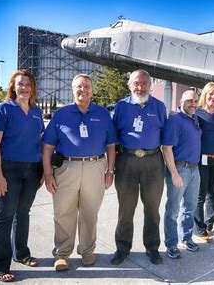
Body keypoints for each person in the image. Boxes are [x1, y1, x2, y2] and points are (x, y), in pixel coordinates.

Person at [42, 73, 116, 271]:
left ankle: (87, 250)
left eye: (86, 87)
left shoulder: (102, 114)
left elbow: (111, 145)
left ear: (92, 90)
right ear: (72, 89)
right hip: (66, 168)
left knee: (90, 212)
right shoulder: (61, 114)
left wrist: (110, 171)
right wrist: (48, 174)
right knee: (63, 212)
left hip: (96, 167)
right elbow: (48, 146)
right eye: (79, 87)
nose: (83, 90)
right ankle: (62, 254)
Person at [0, 69, 44, 282]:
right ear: (13, 86)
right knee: (4, 216)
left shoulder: (37, 112)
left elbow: (39, 141)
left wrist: (42, 171)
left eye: (28, 85)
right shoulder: (3, 109)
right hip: (7, 169)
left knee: (23, 213)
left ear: (33, 88)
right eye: (20, 84)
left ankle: (21, 254)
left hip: (32, 169)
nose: (24, 88)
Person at [110, 70, 167, 266]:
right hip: (127, 161)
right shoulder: (121, 107)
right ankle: (122, 248)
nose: (140, 87)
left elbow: (166, 137)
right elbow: (113, 138)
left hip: (153, 162)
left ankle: (152, 248)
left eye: (144, 83)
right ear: (129, 85)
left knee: (152, 208)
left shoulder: (159, 107)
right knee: (126, 208)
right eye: (136, 83)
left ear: (150, 85)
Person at [162, 89, 202, 259]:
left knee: (190, 207)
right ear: (181, 101)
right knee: (173, 209)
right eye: (189, 101)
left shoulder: (194, 119)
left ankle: (186, 238)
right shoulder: (174, 120)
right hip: (180, 169)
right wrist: (174, 173)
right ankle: (171, 244)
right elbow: (166, 148)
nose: (193, 104)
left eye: (195, 101)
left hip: (195, 169)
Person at [194, 82, 214, 241]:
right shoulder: (197, 113)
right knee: (200, 194)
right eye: (211, 94)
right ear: (205, 94)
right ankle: (199, 229)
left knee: (212, 193)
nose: (213, 97)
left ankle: (209, 226)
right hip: (201, 158)